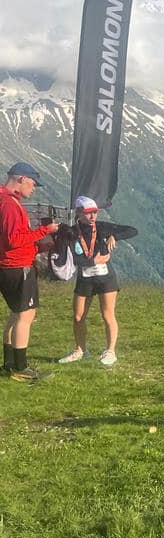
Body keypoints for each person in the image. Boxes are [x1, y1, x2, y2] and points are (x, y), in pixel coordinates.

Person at [55, 196, 138, 367]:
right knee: (78, 316)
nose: (93, 217)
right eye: (88, 213)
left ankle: (110, 351)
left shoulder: (102, 227)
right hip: (85, 278)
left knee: (108, 314)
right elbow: (72, 260)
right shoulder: (71, 232)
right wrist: (93, 262)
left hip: (106, 278)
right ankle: (80, 350)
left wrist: (114, 235)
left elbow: (132, 230)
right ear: (78, 213)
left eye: (95, 212)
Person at [1, 162, 59, 381]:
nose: (33, 189)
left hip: (10, 265)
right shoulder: (9, 204)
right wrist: (45, 230)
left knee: (16, 314)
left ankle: (8, 363)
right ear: (22, 179)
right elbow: (13, 240)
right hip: (18, 267)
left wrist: (37, 246)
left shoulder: (6, 200)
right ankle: (20, 368)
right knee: (26, 315)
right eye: (33, 184)